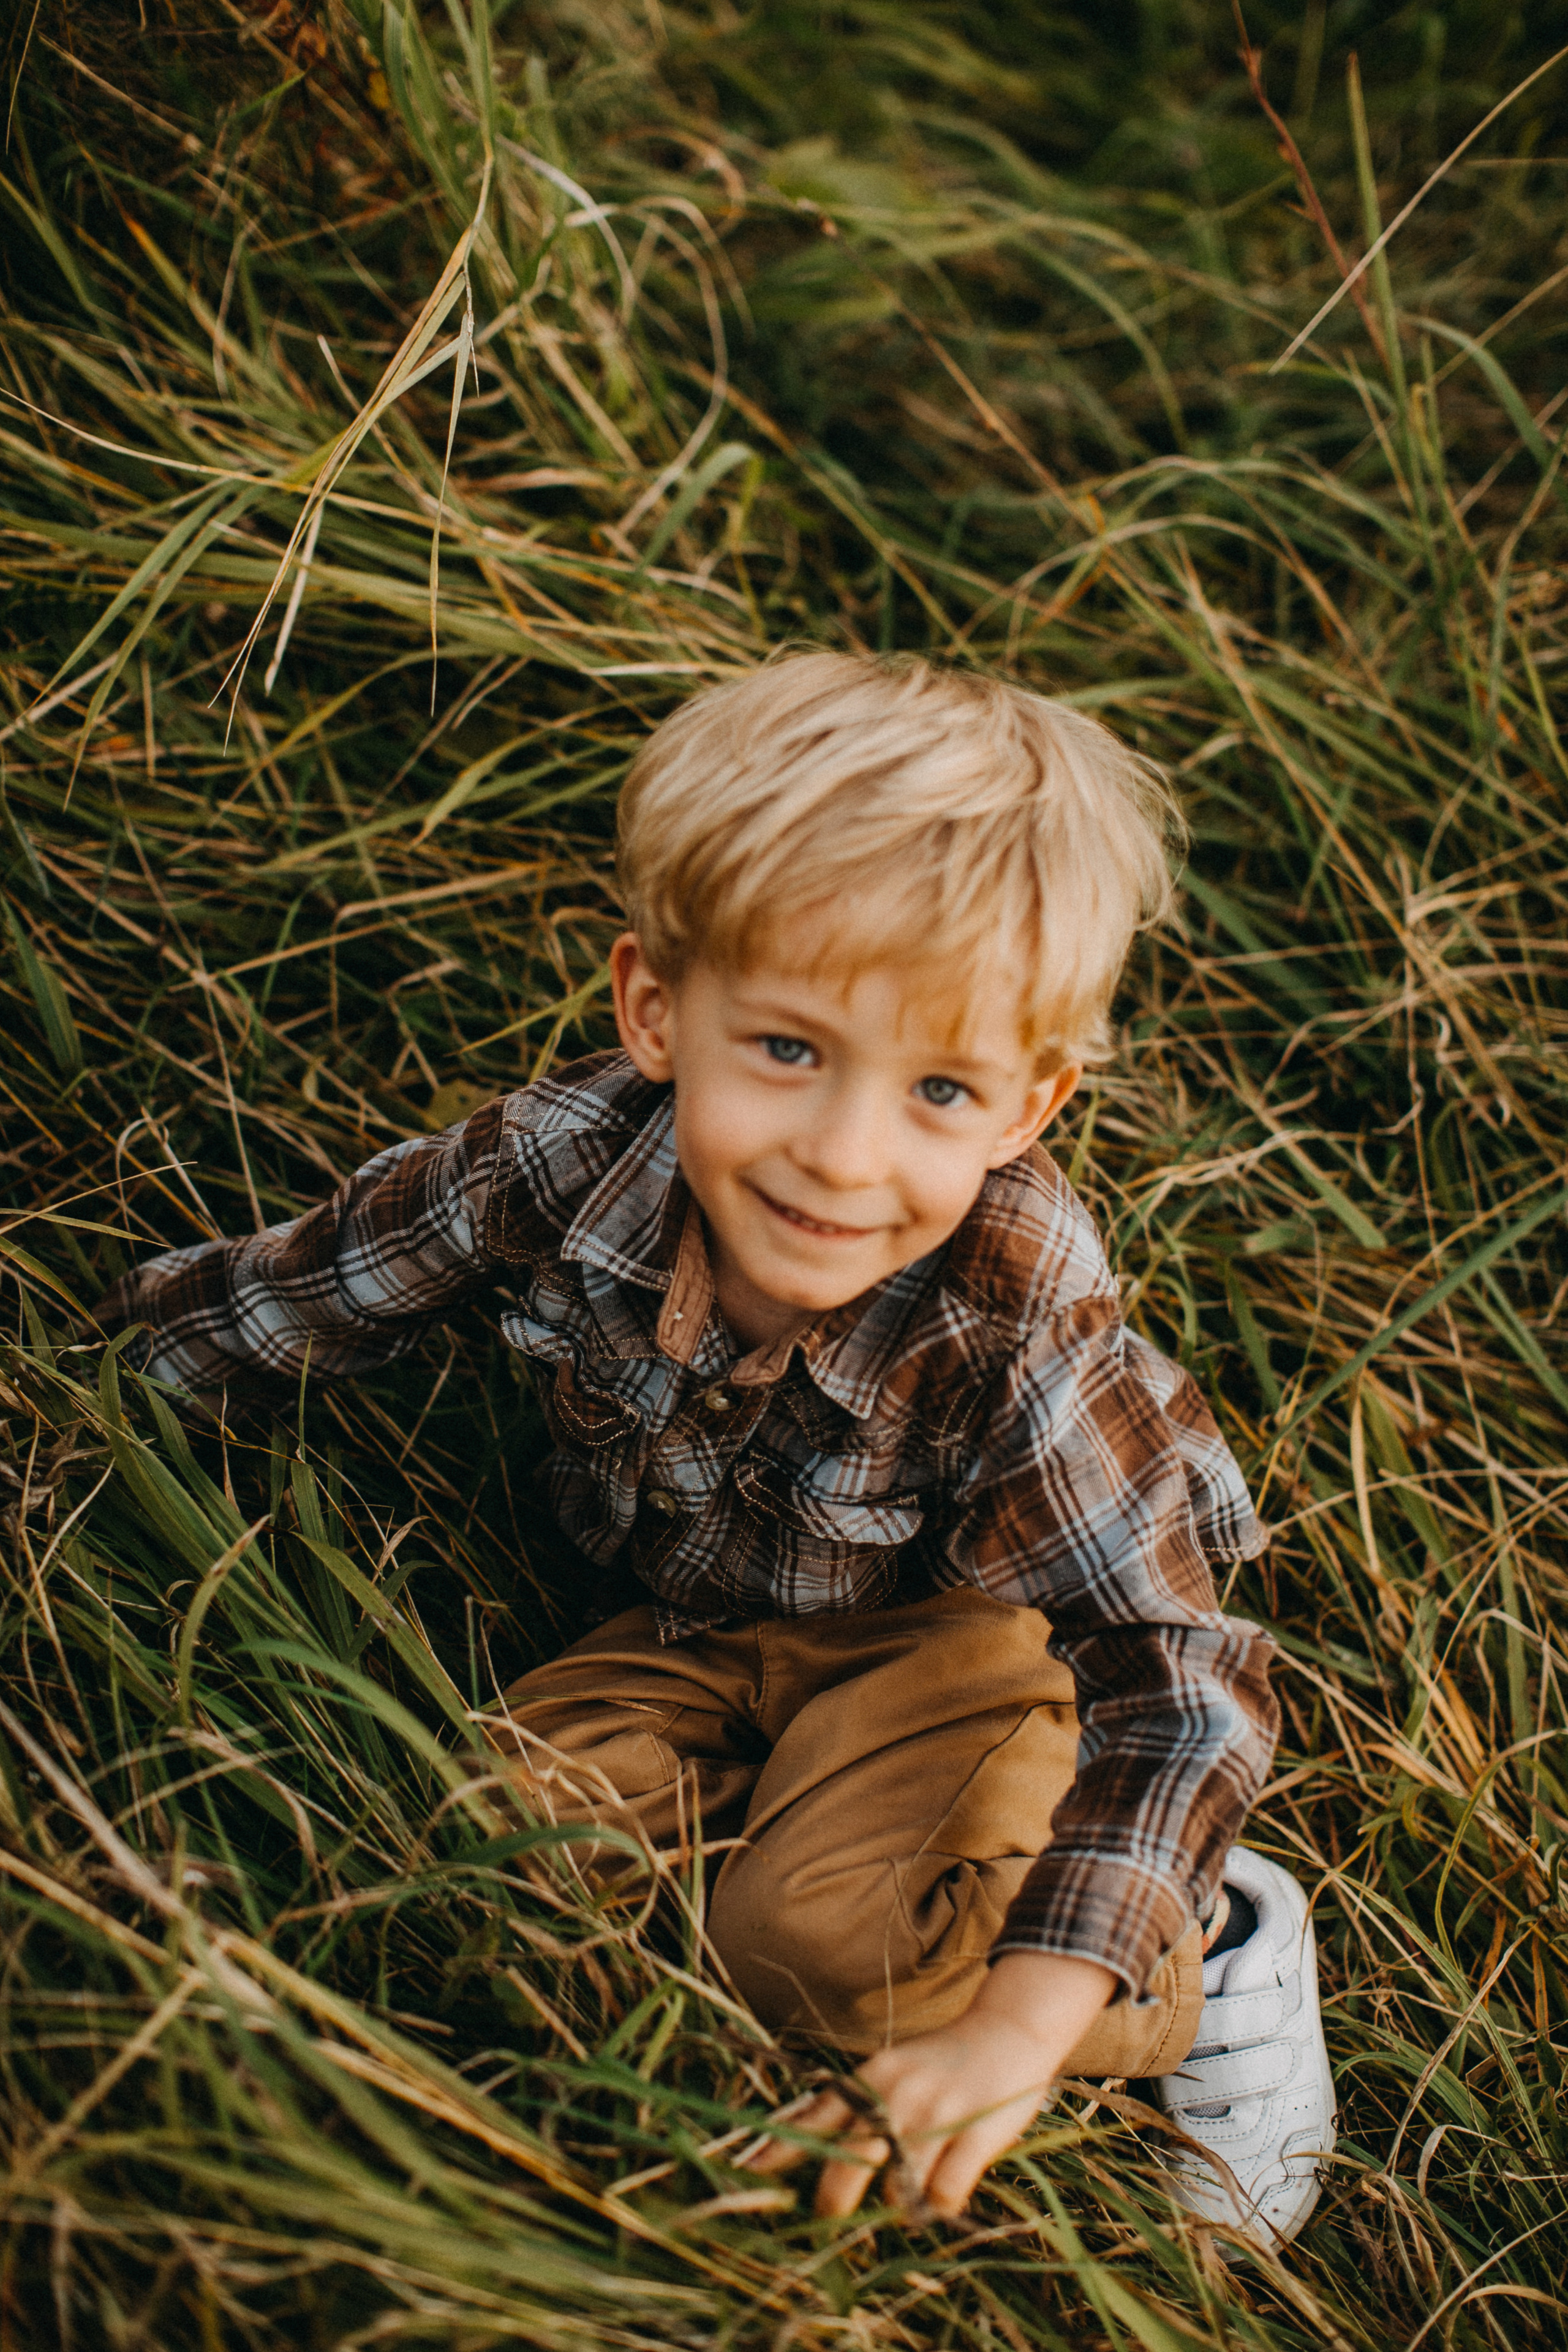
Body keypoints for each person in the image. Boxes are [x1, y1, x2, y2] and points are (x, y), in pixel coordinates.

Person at [97, 651, 1335, 2245]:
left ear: (1028, 1107)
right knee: (491, 1860)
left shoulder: (1011, 1329)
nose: (844, 1154)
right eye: (790, 1051)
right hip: (690, 1624)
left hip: (958, 1641)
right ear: (656, 1009)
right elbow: (324, 1284)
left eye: (939, 1087)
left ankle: (1209, 1947)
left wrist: (1017, 2030)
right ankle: (811, 1830)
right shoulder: (562, 1160)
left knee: (831, 1956)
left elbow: (1182, 1678)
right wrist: (108, 1380)